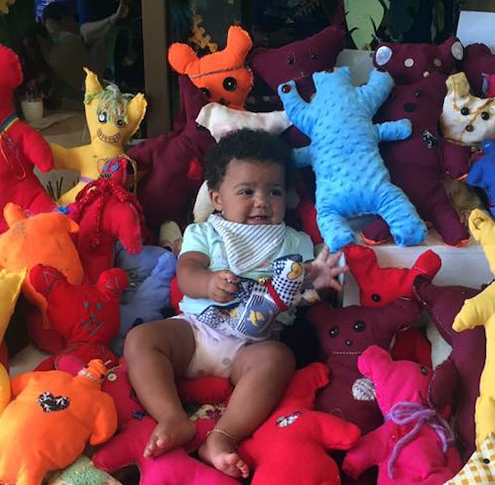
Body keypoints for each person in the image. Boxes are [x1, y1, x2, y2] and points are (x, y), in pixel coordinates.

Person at [124, 129, 346, 478]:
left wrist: (315, 279)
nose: (262, 201)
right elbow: (187, 272)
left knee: (278, 360)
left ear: (286, 197)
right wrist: (207, 283)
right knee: (141, 340)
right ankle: (172, 417)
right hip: (197, 331)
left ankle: (222, 436)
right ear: (217, 198)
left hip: (252, 345)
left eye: (273, 191)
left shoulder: (294, 239)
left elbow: (298, 286)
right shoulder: (206, 232)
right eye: (246, 191)